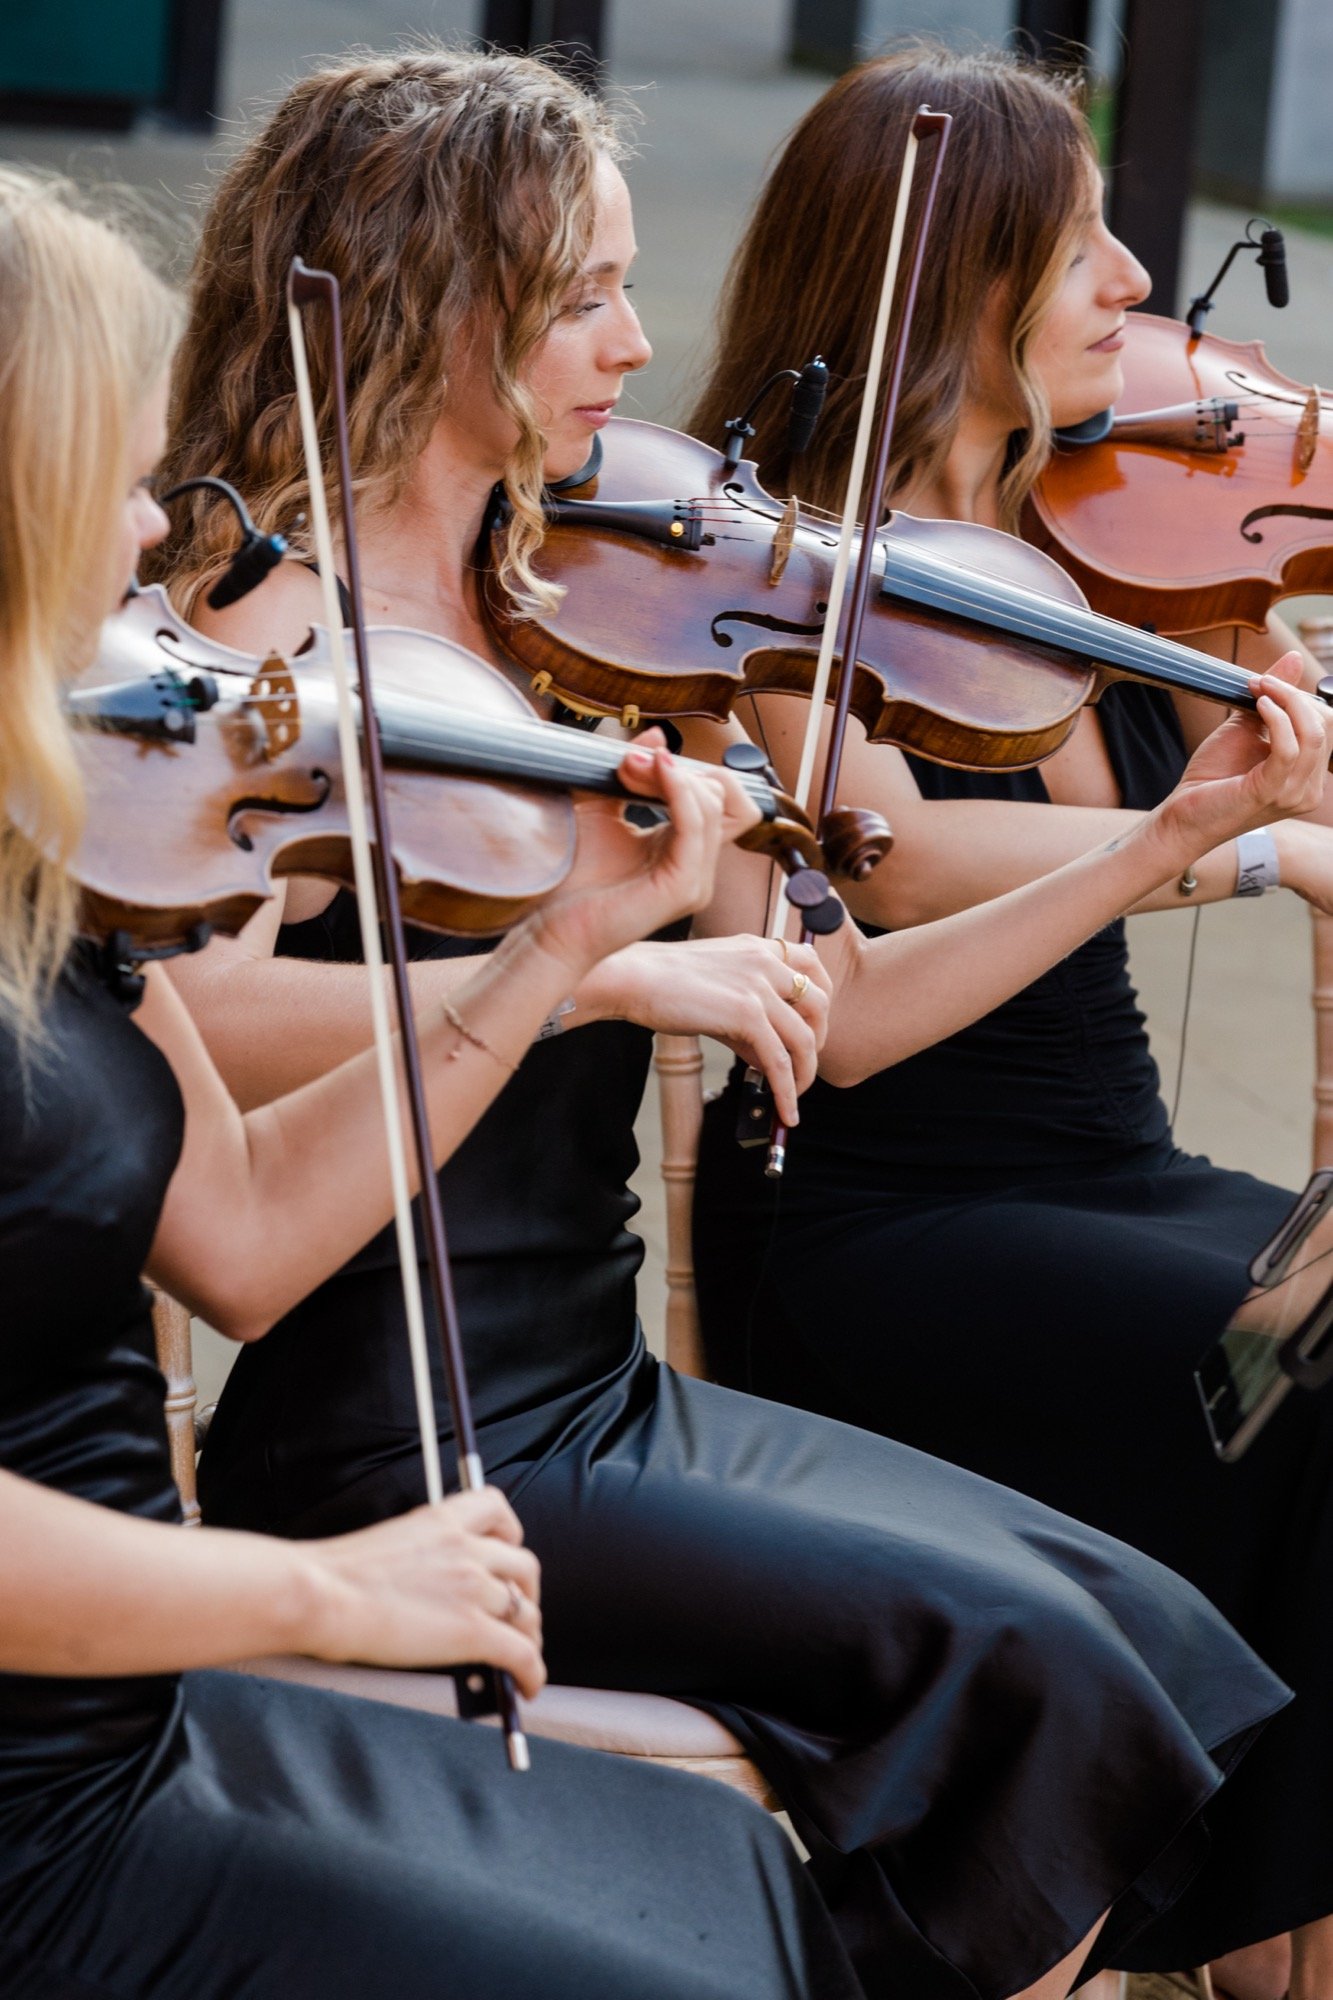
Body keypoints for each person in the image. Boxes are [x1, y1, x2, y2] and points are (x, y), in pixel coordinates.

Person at [153, 47, 1333, 2000]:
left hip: (596, 1384)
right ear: (441, 306)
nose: (641, 340)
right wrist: (574, 973)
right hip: (406, 1435)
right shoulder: (273, 643)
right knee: (1032, 1700)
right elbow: (189, 1010)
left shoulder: (576, 608)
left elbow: (844, 1011)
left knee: (1131, 1646)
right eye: (585, 294)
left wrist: (1171, 839)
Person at [0, 166, 870, 2000]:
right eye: (128, 483)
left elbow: (235, 1236)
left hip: (138, 1732)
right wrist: (333, 1593)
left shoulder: (55, 852)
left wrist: (560, 953)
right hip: (40, 1825)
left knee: (727, 1879)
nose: (163, 537)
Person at [686, 45, 1333, 2000]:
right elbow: (870, 857)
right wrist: (1203, 838)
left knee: (1324, 1328)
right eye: (1081, 251)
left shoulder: (1122, 535)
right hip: (882, 1218)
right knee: (1309, 1378)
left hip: (1104, 1166)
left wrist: (1274, 712)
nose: (1144, 284)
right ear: (956, 282)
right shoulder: (769, 566)